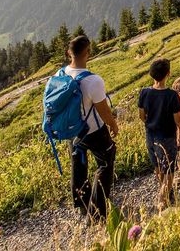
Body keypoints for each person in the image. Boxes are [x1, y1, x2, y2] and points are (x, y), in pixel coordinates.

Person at [65, 35, 118, 221]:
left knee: (78, 166)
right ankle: (97, 211)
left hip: (72, 132)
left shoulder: (60, 75)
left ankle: (82, 204)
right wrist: (113, 125)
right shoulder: (93, 81)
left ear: (68, 53)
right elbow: (103, 111)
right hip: (94, 131)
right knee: (105, 163)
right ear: (88, 53)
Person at [138, 58, 180, 207]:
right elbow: (178, 118)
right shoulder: (172, 95)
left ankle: (163, 187)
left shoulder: (144, 92)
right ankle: (163, 198)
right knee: (170, 168)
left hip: (150, 135)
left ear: (152, 75)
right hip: (167, 136)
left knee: (158, 165)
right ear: (168, 74)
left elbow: (141, 116)